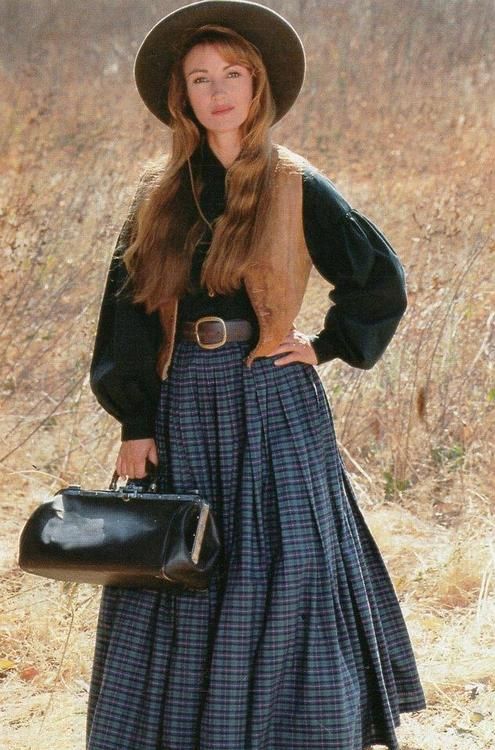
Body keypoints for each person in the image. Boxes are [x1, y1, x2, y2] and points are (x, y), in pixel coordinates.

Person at [86, 2, 426, 748]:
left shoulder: (295, 182)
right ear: (182, 95)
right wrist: (136, 425)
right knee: (179, 564)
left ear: (256, 85)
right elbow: (128, 317)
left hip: (271, 395)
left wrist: (325, 345)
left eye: (231, 74)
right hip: (183, 404)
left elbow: (378, 281)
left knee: (286, 568)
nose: (217, 91)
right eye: (200, 78)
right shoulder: (158, 196)